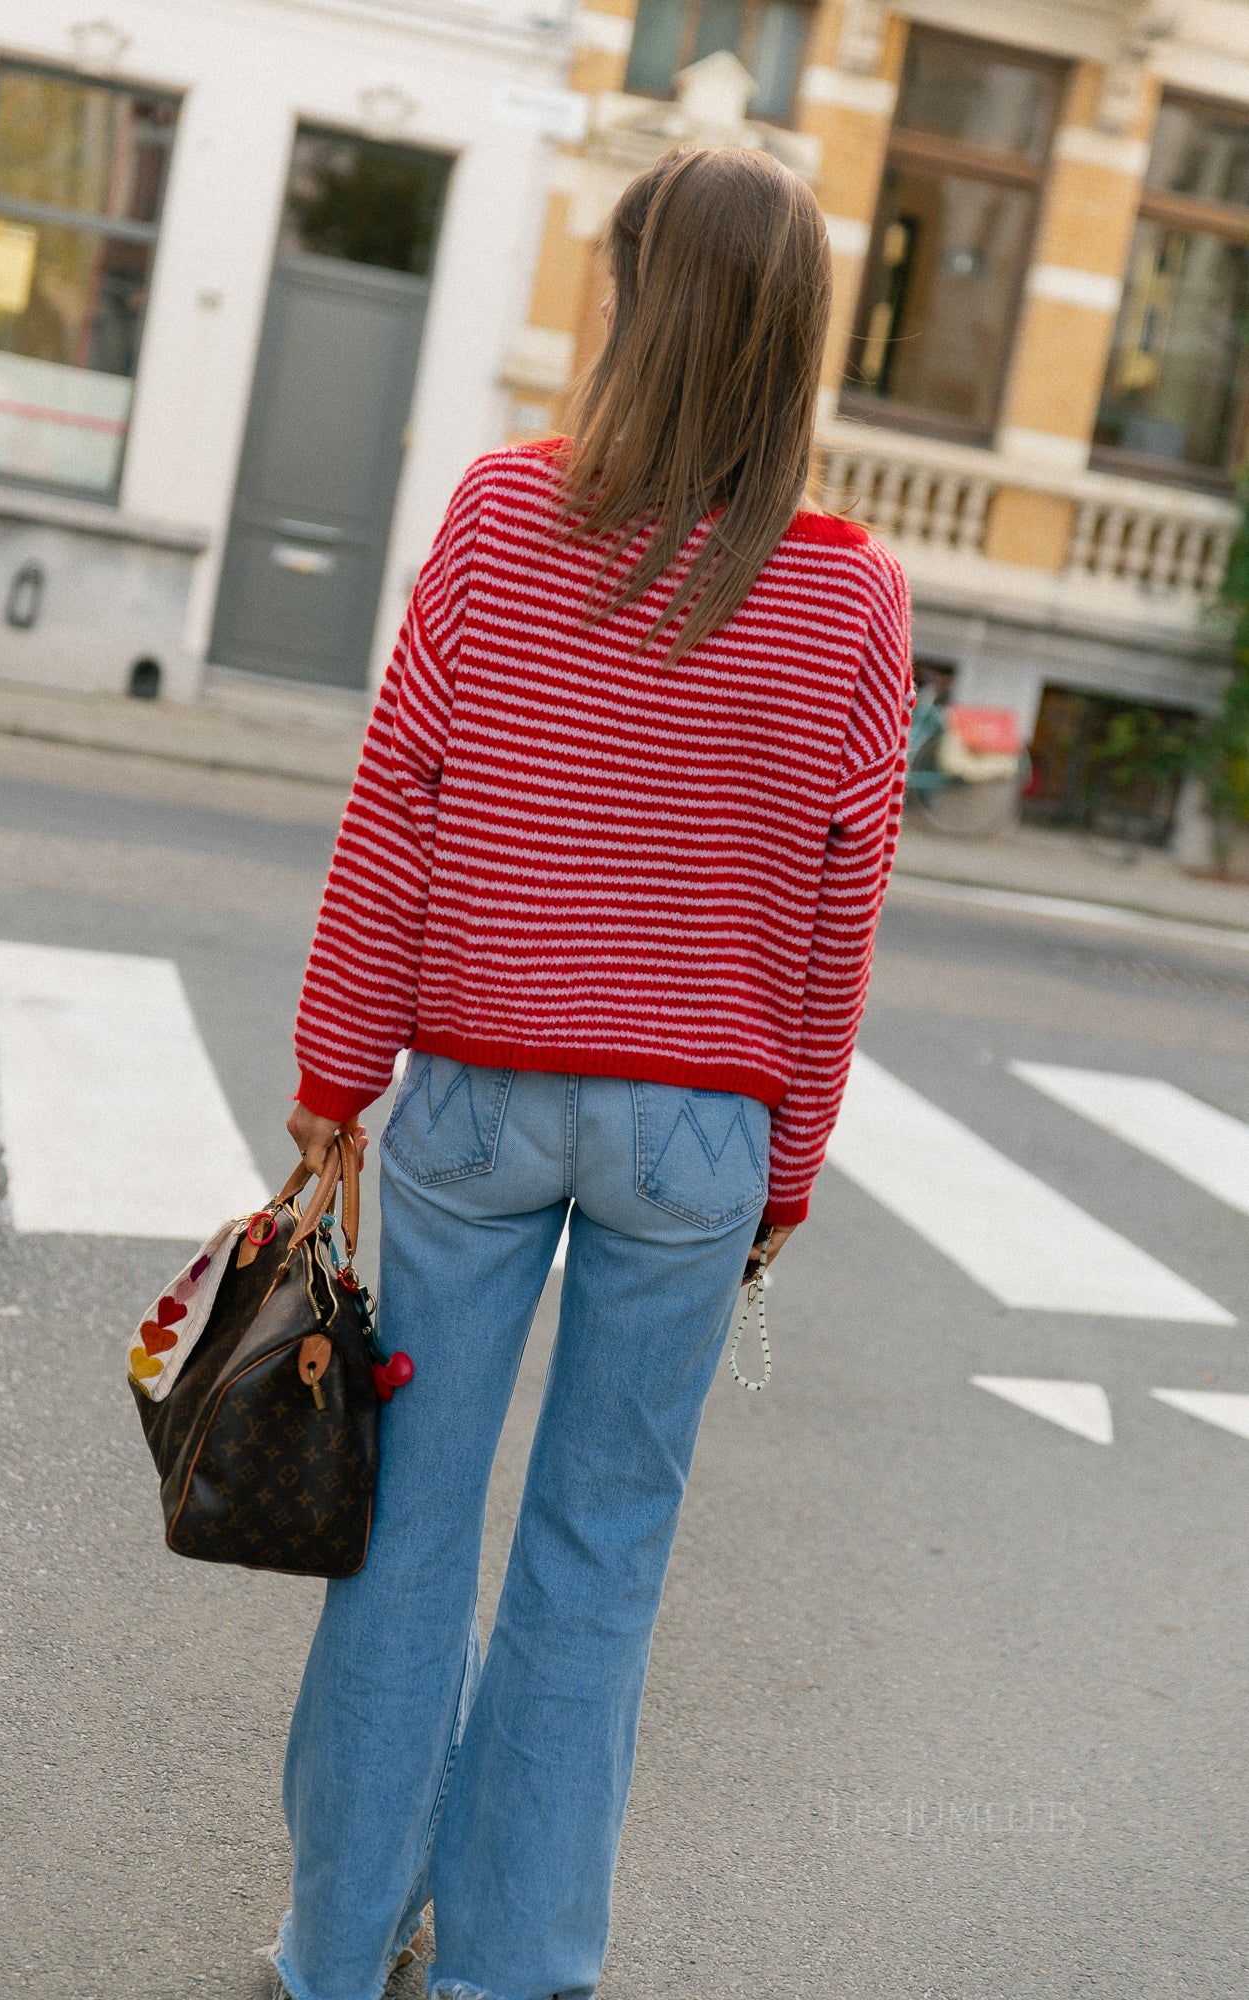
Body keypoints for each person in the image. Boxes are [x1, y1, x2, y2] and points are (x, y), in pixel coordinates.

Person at [272, 143, 912, 2000]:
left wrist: (334, 1068)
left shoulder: (495, 516)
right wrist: (787, 1166)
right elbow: (836, 897)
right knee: (597, 1558)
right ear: (795, 343)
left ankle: (335, 1947)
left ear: (637, 303)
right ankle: (510, 1965)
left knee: (400, 1530)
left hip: (473, 1094)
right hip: (698, 1138)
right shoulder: (849, 597)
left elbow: (400, 797)